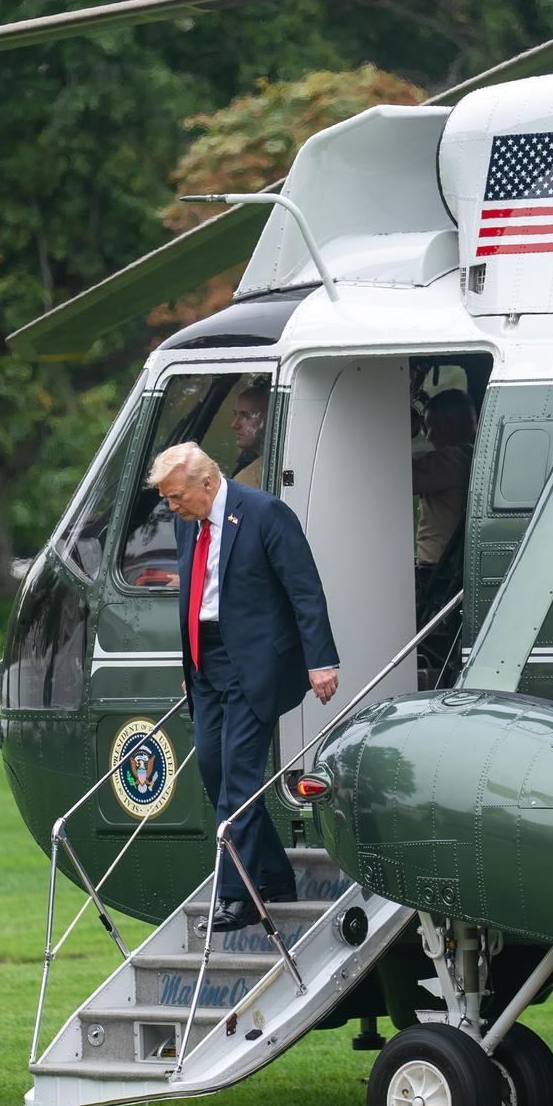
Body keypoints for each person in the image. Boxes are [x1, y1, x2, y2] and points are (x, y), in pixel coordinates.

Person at [147, 442, 339, 933]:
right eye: (167, 499)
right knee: (214, 769)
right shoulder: (186, 520)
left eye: (176, 496)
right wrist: (191, 666)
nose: (171, 507)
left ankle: (239, 894)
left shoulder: (264, 513)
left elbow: (305, 588)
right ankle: (273, 875)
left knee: (239, 776)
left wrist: (321, 661)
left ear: (206, 483)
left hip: (253, 664)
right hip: (205, 662)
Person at [413, 388, 477, 570]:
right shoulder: (474, 456)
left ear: (447, 425)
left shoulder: (447, 461)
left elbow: (394, 480)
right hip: (453, 567)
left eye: (429, 427)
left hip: (437, 574)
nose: (429, 437)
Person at [229, 379, 269, 488]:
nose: (234, 424)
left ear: (267, 420)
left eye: (246, 416)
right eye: (235, 414)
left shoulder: (250, 479)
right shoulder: (250, 463)